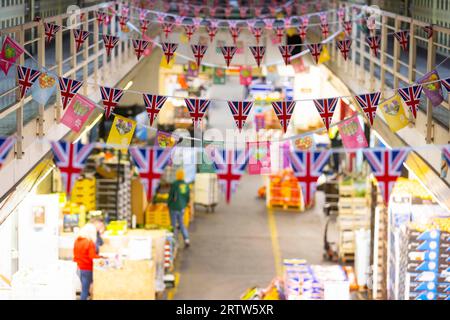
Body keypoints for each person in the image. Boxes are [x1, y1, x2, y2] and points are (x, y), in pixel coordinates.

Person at [73, 223, 101, 300]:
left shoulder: (77, 241)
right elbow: (92, 256)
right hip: (87, 268)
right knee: (85, 290)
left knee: (84, 289)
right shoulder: (89, 242)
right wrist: (101, 258)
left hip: (78, 268)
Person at [168, 169, 191, 247]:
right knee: (181, 224)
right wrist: (185, 204)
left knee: (173, 225)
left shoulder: (175, 184)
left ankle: (174, 242)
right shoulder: (185, 184)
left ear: (177, 175)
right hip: (182, 207)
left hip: (174, 207)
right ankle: (186, 239)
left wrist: (168, 204)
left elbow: (171, 196)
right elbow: (188, 197)